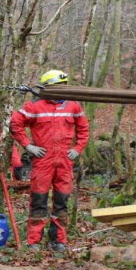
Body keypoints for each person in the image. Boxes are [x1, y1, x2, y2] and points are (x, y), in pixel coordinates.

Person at [10, 69, 89, 252]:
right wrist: (28, 146)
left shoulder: (73, 106)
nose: (60, 91)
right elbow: (15, 123)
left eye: (63, 87)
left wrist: (77, 149)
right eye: (56, 87)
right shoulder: (34, 106)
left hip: (64, 161)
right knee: (39, 201)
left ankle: (58, 240)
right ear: (46, 88)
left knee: (61, 201)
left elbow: (84, 129)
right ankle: (34, 241)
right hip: (43, 161)